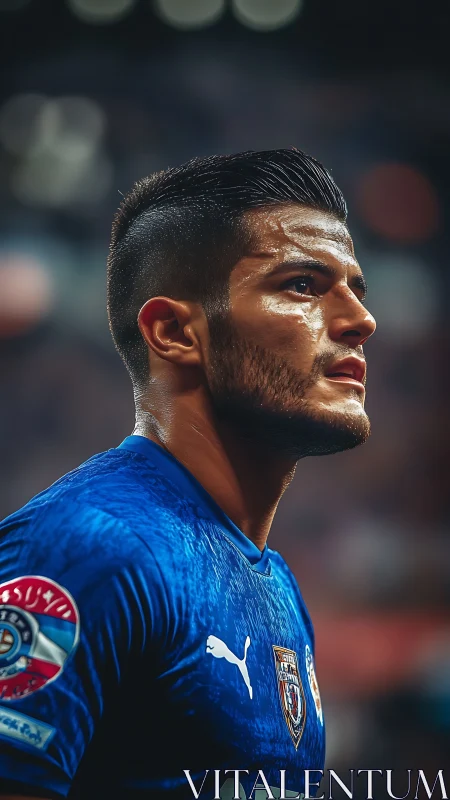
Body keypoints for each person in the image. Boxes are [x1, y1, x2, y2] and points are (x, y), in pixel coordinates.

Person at [0, 149, 376, 800]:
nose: (359, 320)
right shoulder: (90, 548)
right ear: (174, 331)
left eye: (353, 290)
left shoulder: (275, 582)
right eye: (303, 286)